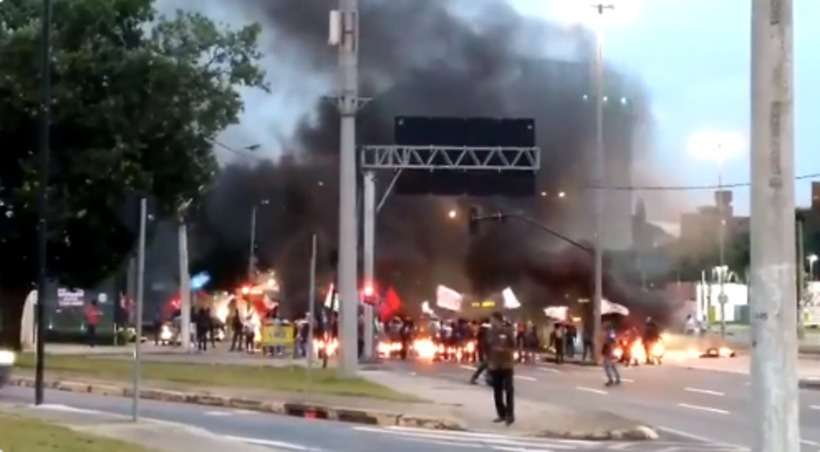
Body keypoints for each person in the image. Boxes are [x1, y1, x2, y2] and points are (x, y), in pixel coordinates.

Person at [487, 311, 515, 426]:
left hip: (506, 365)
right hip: (494, 365)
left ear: (498, 320)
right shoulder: (490, 332)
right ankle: (501, 414)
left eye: (493, 320)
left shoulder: (507, 331)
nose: (491, 322)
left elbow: (513, 344)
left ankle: (510, 415)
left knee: (508, 390)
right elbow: (488, 347)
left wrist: (505, 349)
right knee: (497, 391)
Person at [469, 318, 490, 384]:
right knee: (486, 363)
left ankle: (487, 377)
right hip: (487, 346)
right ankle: (476, 377)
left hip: (484, 346)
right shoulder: (488, 328)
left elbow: (476, 335)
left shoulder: (482, 328)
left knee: (486, 363)